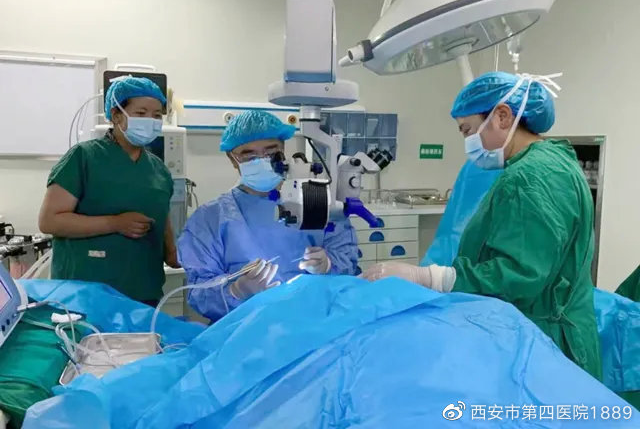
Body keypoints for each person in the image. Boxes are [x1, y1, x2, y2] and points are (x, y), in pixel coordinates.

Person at [363, 72, 602, 380]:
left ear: (502, 116)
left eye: (468, 130)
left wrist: (428, 277)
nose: (468, 142)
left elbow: (519, 275)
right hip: (544, 333)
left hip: (544, 344)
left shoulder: (530, 178)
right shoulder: (553, 161)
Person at [178, 110, 359, 322]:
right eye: (250, 156)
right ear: (233, 159)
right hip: (244, 330)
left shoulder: (317, 202)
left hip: (313, 324)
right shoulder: (210, 219)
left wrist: (329, 265)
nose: (262, 161)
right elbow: (199, 291)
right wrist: (236, 291)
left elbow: (347, 261)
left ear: (283, 150)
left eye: (271, 152)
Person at [39, 76, 178, 306]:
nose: (150, 121)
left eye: (156, 115)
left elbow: (162, 216)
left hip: (143, 291)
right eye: (141, 113)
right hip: (84, 292)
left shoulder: (158, 169)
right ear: (116, 115)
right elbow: (49, 221)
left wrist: (171, 251)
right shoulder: (83, 157)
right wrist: (115, 223)